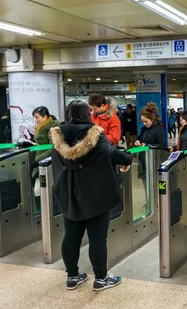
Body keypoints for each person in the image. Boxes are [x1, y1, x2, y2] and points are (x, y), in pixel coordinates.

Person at [50, 100, 132, 291]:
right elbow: (112, 153)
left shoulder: (57, 135)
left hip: (68, 193)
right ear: (87, 114)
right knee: (97, 237)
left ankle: (72, 276)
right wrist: (127, 159)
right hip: (94, 194)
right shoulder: (93, 133)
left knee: (71, 236)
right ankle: (101, 279)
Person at [32, 106, 59, 170]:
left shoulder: (54, 127)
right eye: (35, 117)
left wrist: (37, 161)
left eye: (37, 117)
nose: (36, 120)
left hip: (46, 161)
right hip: (40, 158)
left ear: (45, 117)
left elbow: (53, 148)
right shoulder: (39, 127)